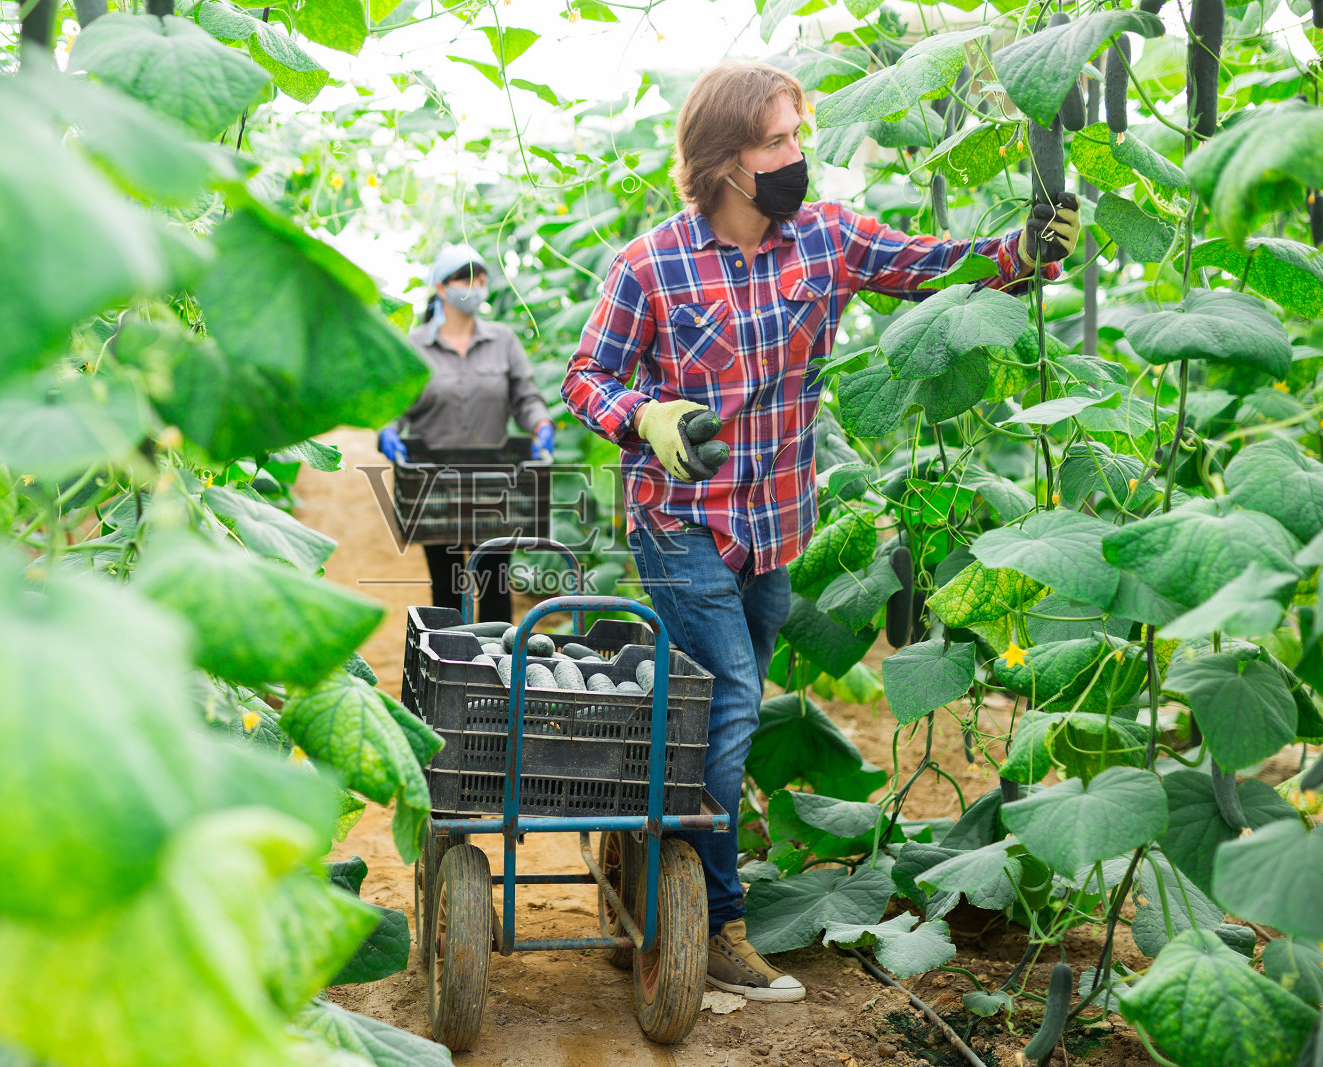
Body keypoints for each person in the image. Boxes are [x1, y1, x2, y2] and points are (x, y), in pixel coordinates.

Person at [560, 60, 1078, 1001]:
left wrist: (1026, 248)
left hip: (773, 524)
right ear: (724, 159)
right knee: (727, 711)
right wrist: (645, 415)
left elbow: (932, 264)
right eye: (777, 141)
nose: (797, 155)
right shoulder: (651, 264)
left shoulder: (825, 238)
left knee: (714, 712)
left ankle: (646, 865)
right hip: (679, 521)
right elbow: (585, 375)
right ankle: (716, 926)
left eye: (798, 135)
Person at [379, 245, 556, 622]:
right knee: (446, 588)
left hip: (495, 482)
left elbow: (525, 397)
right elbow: (395, 405)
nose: (476, 287)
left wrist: (541, 424)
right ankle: (446, 656)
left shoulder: (503, 341)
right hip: (433, 484)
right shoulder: (415, 346)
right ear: (441, 288)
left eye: (481, 279)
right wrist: (388, 431)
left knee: (495, 583)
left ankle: (496, 658)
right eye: (466, 280)